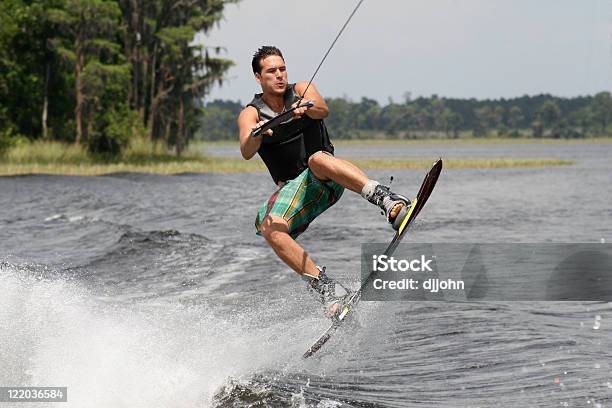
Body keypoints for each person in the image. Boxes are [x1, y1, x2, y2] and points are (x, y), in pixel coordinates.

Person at [237, 46, 411, 318]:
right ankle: (329, 292)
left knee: (317, 159)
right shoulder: (251, 113)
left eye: (282, 69)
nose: (280, 75)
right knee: (268, 227)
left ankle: (389, 202)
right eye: (271, 71)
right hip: (295, 193)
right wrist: (258, 133)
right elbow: (246, 150)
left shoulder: (302, 90)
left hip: (327, 176)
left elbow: (323, 109)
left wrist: (303, 107)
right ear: (258, 78)